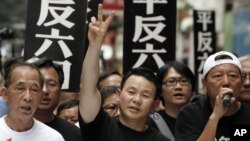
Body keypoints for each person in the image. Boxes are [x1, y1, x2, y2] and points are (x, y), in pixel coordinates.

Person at [79, 4, 170, 141]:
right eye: (131, 92)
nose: (136, 100)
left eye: (145, 95)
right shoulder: (100, 126)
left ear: (155, 104)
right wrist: (94, 46)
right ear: (119, 94)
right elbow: (88, 87)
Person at [175, 51, 250, 141]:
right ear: (204, 84)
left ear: (241, 83)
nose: (226, 82)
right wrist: (215, 116)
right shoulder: (190, 114)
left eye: (232, 76)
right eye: (218, 76)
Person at [0, 62, 64, 140]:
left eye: (34, 90)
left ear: (41, 96)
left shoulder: (53, 138)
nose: (27, 97)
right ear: (5, 94)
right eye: (20, 89)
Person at [26, 57, 82, 141]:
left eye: (51, 84)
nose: (44, 90)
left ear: (60, 89)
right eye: (38, 84)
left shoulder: (75, 134)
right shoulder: (11, 128)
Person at [148, 61, 195, 140]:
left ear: (192, 89)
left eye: (183, 81)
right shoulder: (150, 123)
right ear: (160, 90)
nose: (178, 87)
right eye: (171, 81)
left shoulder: (202, 119)